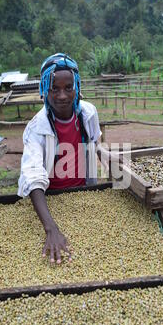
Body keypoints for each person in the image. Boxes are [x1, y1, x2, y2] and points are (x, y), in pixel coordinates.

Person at [18, 53, 101, 264]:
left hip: (83, 192)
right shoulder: (37, 128)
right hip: (51, 199)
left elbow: (95, 142)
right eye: (54, 88)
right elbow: (33, 174)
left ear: (77, 87)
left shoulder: (88, 113)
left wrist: (107, 157)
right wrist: (51, 229)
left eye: (68, 87)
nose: (62, 95)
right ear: (44, 89)